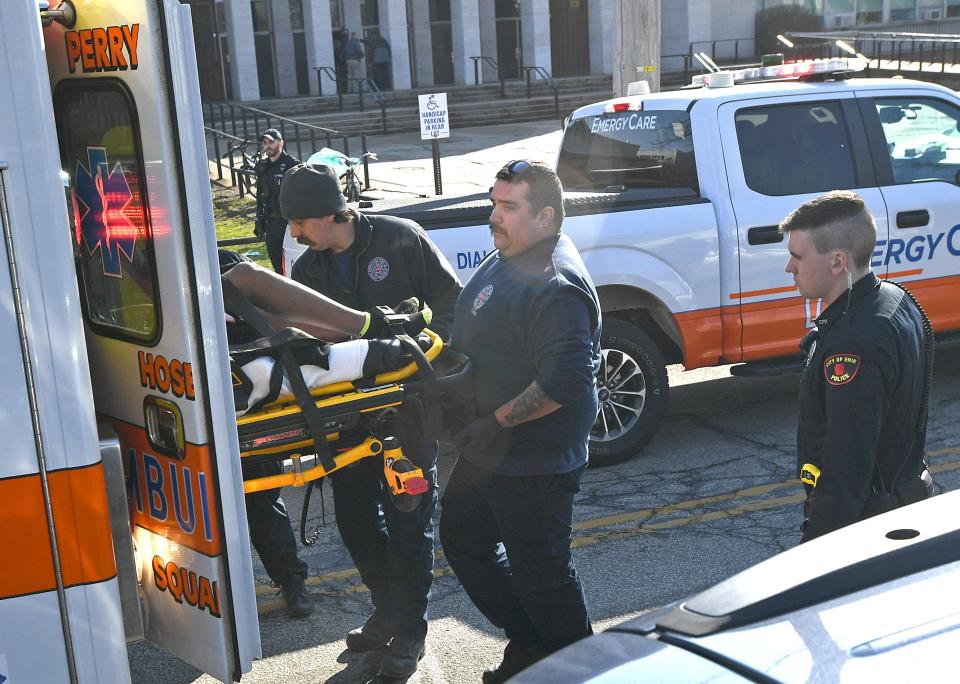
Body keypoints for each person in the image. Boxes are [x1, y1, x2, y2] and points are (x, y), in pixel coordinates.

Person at [278, 162, 462, 679]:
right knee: (356, 521)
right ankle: (387, 611)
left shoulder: (400, 239)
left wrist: (431, 350)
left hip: (407, 410)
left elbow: (451, 298)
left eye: (300, 222)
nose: (293, 232)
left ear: (330, 214)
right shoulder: (310, 265)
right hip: (346, 416)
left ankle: (409, 632)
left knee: (409, 522)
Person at [438, 160, 601, 683]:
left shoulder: (556, 285)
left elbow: (565, 379)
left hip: (532, 458)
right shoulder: (513, 253)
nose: (494, 216)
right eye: (494, 202)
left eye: (508, 207)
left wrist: (497, 421)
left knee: (545, 577)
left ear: (546, 216)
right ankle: (531, 642)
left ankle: (583, 671)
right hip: (491, 452)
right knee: (463, 539)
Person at [781, 190, 936, 543]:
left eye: (797, 256)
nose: (789, 267)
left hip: (870, 529)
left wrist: (813, 554)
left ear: (837, 262)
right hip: (904, 503)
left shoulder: (853, 345)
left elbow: (846, 472)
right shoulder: (894, 298)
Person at [254, 128, 299, 274]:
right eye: (265, 143)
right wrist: (258, 219)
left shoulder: (293, 165)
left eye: (271, 142)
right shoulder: (262, 167)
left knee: (293, 264)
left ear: (281, 143)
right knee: (277, 265)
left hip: (288, 224)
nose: (268, 146)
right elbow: (260, 195)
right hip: (271, 224)